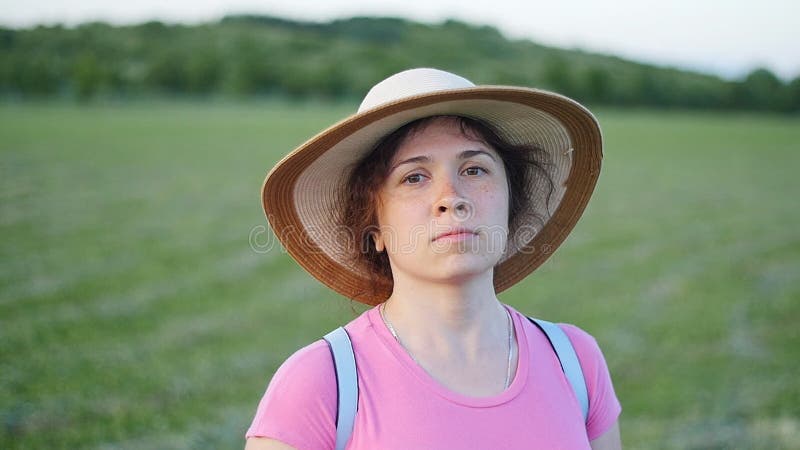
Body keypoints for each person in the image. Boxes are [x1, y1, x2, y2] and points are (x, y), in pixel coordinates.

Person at [245, 68, 622, 449]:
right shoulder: (320, 383)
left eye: (474, 169)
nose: (451, 197)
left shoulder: (575, 360)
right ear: (373, 226)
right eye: (414, 178)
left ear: (511, 204)